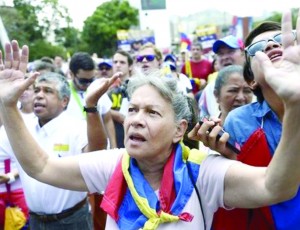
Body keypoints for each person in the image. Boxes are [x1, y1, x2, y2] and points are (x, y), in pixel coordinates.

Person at [1, 11, 300, 229]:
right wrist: (8, 105)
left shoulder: (203, 173)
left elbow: (275, 188)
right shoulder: (112, 165)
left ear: (178, 130)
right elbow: (41, 166)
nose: (135, 121)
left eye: (152, 113)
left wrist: (295, 105)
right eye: (132, 110)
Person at [194, 11, 300, 230]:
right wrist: (229, 158)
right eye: (258, 49)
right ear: (251, 79)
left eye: (279, 41)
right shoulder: (239, 122)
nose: (271, 46)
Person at [0, 69, 116, 229]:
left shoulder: (76, 127)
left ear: (64, 101)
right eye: (36, 90)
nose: (39, 95)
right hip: (34, 220)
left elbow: (96, 153)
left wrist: (91, 107)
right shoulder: (20, 128)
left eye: (48, 91)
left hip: (72, 220)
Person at [66, 52, 117, 149]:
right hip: (75, 150)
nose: (88, 84)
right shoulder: (63, 92)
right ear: (71, 74)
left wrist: (113, 147)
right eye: (83, 81)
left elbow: (107, 120)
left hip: (101, 150)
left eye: (91, 79)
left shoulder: (98, 87)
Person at [198, 35, 245, 119]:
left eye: (231, 51)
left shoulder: (258, 82)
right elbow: (203, 120)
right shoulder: (209, 89)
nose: (225, 57)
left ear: (243, 53)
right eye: (220, 53)